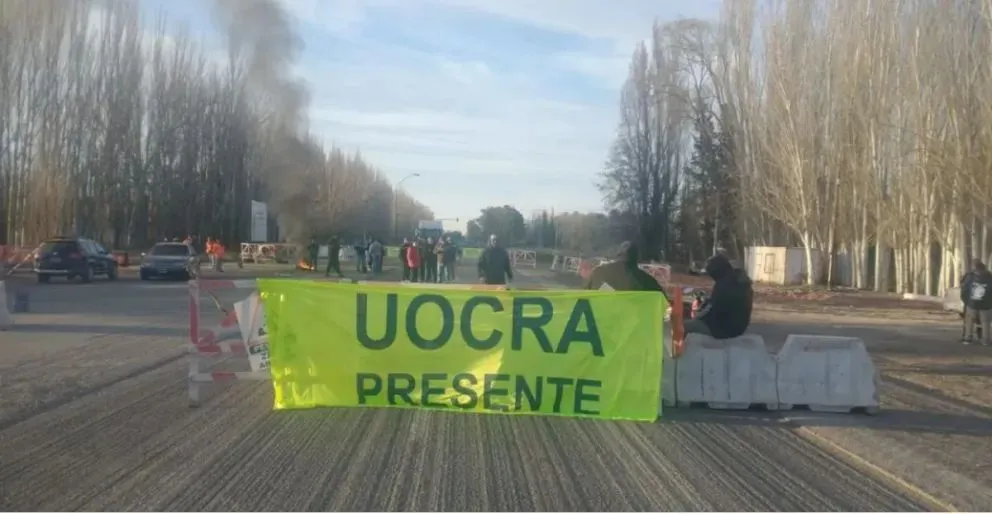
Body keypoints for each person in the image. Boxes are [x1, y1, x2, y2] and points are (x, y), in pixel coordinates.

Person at [685, 253, 753, 339]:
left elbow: (712, 311)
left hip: (723, 329)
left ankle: (681, 352)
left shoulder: (724, 284)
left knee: (682, 326)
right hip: (739, 327)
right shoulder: (740, 281)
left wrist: (698, 316)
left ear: (717, 271)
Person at [583, 241, 670, 304]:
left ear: (618, 255)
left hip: (603, 326)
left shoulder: (599, 273)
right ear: (636, 259)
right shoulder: (647, 281)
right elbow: (665, 306)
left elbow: (581, 298)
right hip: (634, 327)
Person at [961, 258, 992, 346]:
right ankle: (986, 341)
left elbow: (965, 290)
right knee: (986, 323)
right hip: (986, 305)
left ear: (975, 267)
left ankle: (968, 338)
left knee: (969, 321)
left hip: (972, 303)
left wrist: (966, 301)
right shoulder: (990, 277)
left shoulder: (970, 276)